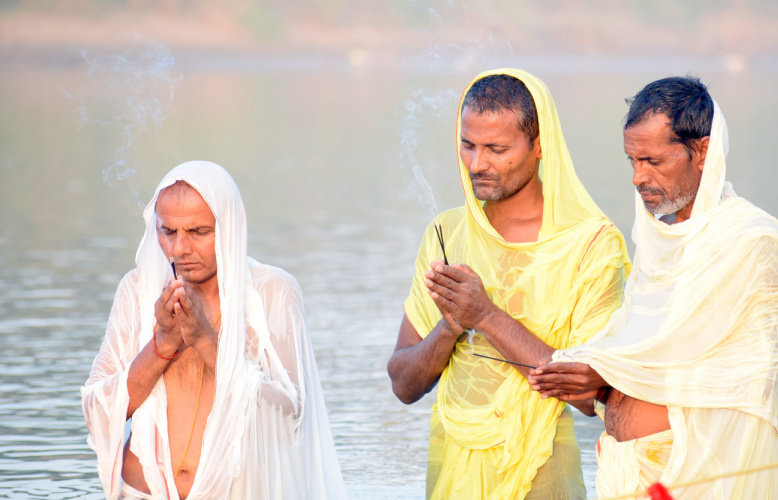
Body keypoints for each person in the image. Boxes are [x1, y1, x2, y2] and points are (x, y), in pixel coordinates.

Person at [528, 77, 778, 499]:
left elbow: (731, 377)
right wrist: (595, 375)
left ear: (701, 151)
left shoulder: (751, 240)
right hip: (632, 475)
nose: (637, 177)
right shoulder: (657, 243)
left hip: (705, 477)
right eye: (631, 160)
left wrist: (606, 371)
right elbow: (647, 347)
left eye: (653, 161)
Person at [387, 69, 631, 500]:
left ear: (539, 147)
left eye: (497, 149)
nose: (477, 164)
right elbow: (404, 385)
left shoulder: (589, 244)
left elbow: (594, 395)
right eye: (468, 145)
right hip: (451, 471)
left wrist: (484, 315)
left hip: (542, 469)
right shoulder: (446, 233)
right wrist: (451, 326)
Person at [81, 161, 347, 500]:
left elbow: (290, 417)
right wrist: (162, 343)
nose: (180, 249)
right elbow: (97, 414)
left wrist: (207, 342)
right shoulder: (138, 290)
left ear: (230, 228)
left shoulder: (272, 293)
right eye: (169, 231)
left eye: (198, 232)